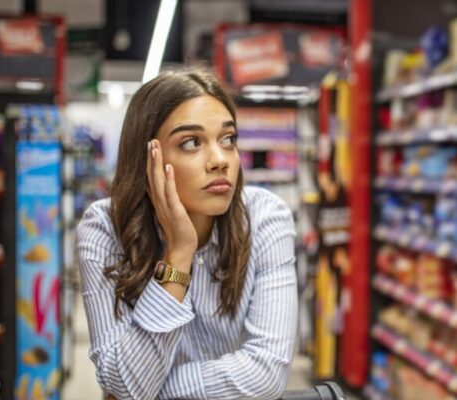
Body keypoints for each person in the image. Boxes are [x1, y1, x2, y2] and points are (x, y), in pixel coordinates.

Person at [76, 66, 298, 399]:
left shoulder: (266, 219)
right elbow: (121, 384)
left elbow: (266, 374)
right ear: (147, 157)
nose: (220, 160)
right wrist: (178, 254)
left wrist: (153, 392)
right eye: (192, 142)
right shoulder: (105, 229)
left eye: (228, 139)